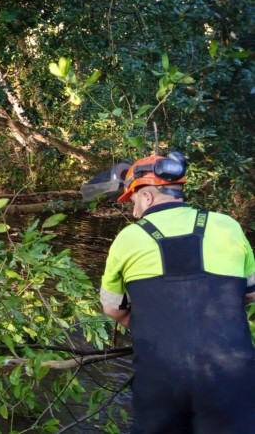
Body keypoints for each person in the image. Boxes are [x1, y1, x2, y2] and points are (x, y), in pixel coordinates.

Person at [99, 153, 255, 433]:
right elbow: (250, 293)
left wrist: (157, 326)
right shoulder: (228, 225)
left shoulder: (128, 238)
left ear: (146, 197)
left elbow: (112, 307)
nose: (134, 212)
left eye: (133, 202)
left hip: (161, 379)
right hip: (231, 375)